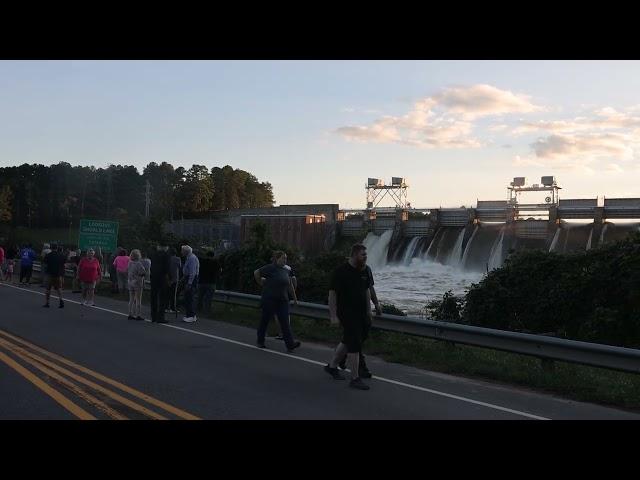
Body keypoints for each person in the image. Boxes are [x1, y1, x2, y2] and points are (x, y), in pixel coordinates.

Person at [324, 243, 374, 390]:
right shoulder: (341, 272)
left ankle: (332, 366)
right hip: (347, 313)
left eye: (366, 255)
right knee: (354, 343)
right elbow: (332, 295)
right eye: (362, 255)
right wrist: (333, 316)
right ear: (354, 255)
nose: (365, 257)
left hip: (361, 313)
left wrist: (369, 310)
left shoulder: (364, 270)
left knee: (347, 341)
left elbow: (367, 291)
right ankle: (355, 378)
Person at [253, 250, 301, 353]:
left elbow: (290, 285)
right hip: (269, 299)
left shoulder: (286, 270)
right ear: (277, 259)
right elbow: (256, 272)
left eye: (286, 258)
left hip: (283, 300)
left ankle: (290, 344)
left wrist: (295, 299)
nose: (285, 260)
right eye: (283, 258)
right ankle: (260, 340)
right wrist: (260, 282)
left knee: (285, 321)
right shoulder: (270, 268)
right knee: (264, 320)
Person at [338, 263, 381, 374]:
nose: (364, 257)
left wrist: (376, 304)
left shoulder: (367, 270)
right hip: (349, 311)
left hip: (363, 311)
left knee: (358, 337)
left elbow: (370, 288)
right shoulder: (345, 270)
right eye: (362, 254)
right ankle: (360, 369)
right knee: (355, 338)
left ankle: (340, 357)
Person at [272, 262, 298, 340]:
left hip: (277, 293)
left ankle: (280, 333)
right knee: (286, 313)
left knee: (277, 314)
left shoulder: (273, 268)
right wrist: (293, 293)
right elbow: (293, 280)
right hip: (286, 293)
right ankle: (286, 333)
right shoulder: (288, 268)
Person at [149, 245, 171, 323]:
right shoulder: (166, 255)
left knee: (153, 296)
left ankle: (153, 316)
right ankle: (160, 317)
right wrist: (168, 277)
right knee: (162, 298)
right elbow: (167, 267)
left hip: (154, 277)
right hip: (162, 277)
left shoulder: (153, 254)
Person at [42, 244, 66, 309]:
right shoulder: (61, 255)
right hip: (58, 274)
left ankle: (47, 302)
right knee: (59, 288)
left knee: (48, 289)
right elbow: (64, 263)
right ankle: (61, 300)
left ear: (51, 248)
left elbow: (45, 264)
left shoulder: (48, 255)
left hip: (50, 274)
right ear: (57, 248)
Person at [180, 245, 200, 323]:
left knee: (190, 297)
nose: (181, 252)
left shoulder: (192, 258)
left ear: (186, 251)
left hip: (191, 279)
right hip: (188, 278)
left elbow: (192, 272)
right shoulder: (189, 257)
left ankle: (191, 315)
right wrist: (183, 278)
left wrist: (189, 283)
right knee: (187, 297)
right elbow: (187, 270)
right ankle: (189, 314)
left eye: (182, 250)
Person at [197, 251, 220, 316]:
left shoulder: (202, 261)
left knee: (200, 297)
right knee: (209, 298)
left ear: (206, 255)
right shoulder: (216, 262)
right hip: (211, 283)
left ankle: (198, 310)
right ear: (213, 256)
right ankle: (207, 311)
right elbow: (219, 271)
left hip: (201, 282)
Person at [127, 249, 146, 320]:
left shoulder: (130, 263)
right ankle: (138, 314)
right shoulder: (139, 264)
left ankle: (130, 313)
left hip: (130, 281)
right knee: (138, 299)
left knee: (131, 298)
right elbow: (143, 273)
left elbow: (127, 271)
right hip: (137, 282)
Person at [166, 247, 182, 313]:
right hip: (175, 278)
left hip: (167, 278)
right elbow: (180, 267)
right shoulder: (178, 259)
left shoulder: (167, 259)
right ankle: (173, 308)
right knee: (173, 294)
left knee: (167, 293)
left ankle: (166, 307)